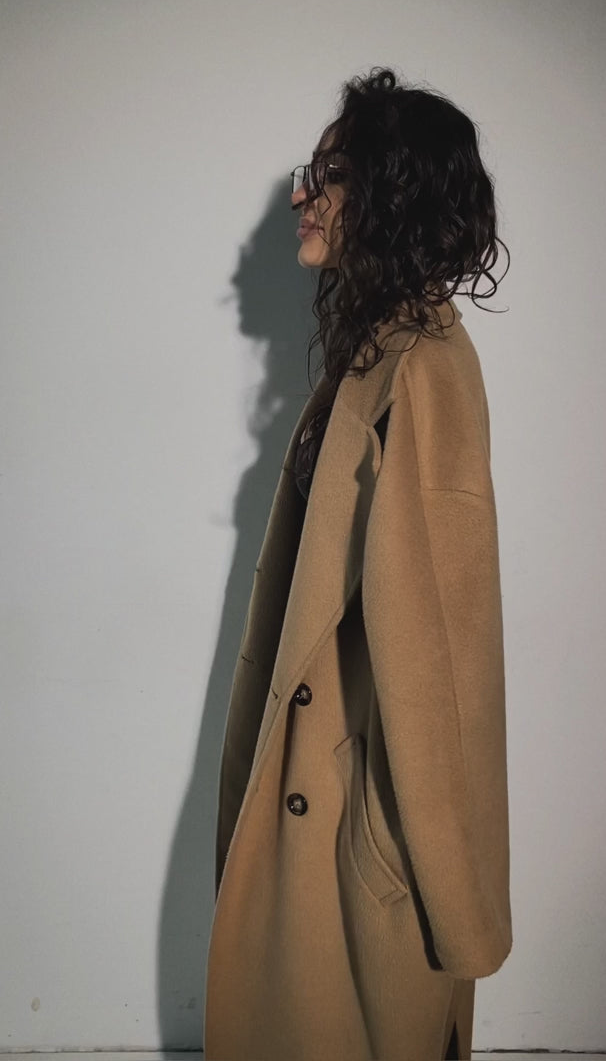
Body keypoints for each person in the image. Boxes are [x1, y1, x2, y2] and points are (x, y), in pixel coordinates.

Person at [203, 66, 512, 1061]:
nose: (304, 194)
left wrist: (447, 891)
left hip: (363, 818)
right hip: (334, 792)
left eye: (330, 175)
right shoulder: (378, 353)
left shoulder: (420, 369)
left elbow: (440, 652)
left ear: (392, 194)